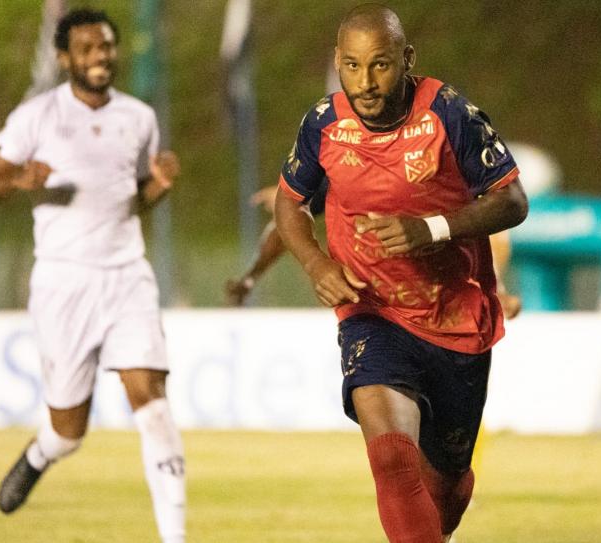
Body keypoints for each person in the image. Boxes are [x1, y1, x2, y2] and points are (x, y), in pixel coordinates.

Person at [273, 4, 528, 542]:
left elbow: (513, 201)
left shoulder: (450, 114)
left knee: (447, 487)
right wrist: (316, 261)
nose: (365, 83)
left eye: (380, 65)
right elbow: (289, 203)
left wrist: (431, 228)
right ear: (337, 63)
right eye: (351, 66)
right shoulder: (323, 123)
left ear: (406, 60)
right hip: (373, 312)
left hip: (455, 317)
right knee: (391, 458)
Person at [0, 9, 185, 543]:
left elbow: (130, 202)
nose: (100, 57)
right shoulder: (36, 117)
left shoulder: (139, 117)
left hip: (127, 274)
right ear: (65, 58)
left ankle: (176, 537)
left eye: (107, 47)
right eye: (87, 49)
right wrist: (19, 178)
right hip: (64, 283)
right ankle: (44, 451)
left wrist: (156, 188)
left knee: (152, 401)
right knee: (70, 430)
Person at [226, 184, 522, 318]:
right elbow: (286, 223)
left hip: (442, 306)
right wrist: (250, 277)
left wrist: (496, 290)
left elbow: (484, 232)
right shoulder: (343, 171)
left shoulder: (448, 177)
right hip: (374, 309)